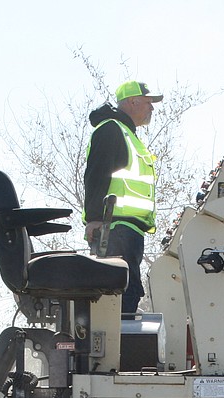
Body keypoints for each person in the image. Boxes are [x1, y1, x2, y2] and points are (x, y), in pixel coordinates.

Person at [83, 79, 162, 314]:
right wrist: (95, 219)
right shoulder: (111, 130)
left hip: (128, 232)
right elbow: (96, 174)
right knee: (119, 296)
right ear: (133, 101)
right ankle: (114, 350)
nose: (152, 108)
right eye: (148, 102)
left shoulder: (127, 134)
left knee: (127, 294)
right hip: (114, 230)